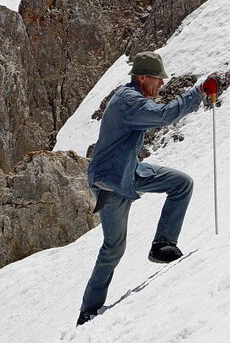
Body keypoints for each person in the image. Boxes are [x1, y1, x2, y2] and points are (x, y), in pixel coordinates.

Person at [77, 50, 212, 327]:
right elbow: (164, 115)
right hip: (111, 184)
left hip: (131, 173)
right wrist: (198, 92)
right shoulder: (129, 101)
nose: (161, 84)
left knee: (181, 183)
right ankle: (87, 312)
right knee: (113, 247)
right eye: (157, 79)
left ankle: (162, 246)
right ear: (141, 77)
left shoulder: (131, 97)